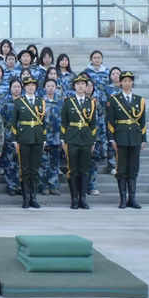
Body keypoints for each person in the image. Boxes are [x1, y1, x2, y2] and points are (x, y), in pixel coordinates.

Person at [106, 71, 146, 210]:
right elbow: (110, 121)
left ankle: (132, 199)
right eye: (125, 81)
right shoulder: (114, 99)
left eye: (129, 81)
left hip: (135, 137)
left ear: (132, 82)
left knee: (133, 168)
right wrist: (112, 139)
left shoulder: (139, 100)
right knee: (121, 169)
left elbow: (142, 121)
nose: (127, 83)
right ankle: (123, 199)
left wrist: (143, 139)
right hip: (121, 137)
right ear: (120, 83)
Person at [60, 74, 97, 210]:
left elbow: (93, 124)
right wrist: (63, 139)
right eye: (78, 84)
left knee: (84, 170)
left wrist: (93, 141)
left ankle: (83, 198)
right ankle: (74, 198)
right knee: (72, 169)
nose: (80, 86)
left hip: (86, 138)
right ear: (74, 86)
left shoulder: (91, 102)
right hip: (72, 138)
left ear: (86, 86)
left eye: (83, 84)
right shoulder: (68, 102)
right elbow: (64, 122)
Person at [11, 76, 46, 209]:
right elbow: (14, 122)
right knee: (24, 168)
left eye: (33, 85)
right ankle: (25, 198)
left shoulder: (40, 102)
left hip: (37, 137)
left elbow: (43, 122)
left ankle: (33, 198)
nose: (30, 87)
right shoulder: (19, 102)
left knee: (35, 169)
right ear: (24, 87)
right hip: (23, 137)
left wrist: (44, 138)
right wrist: (15, 140)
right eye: (28, 85)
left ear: (36, 87)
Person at [0, 78, 23, 196]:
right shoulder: (5, 104)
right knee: (9, 163)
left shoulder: (25, 102)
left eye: (18, 87)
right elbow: (1, 121)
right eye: (14, 87)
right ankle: (11, 186)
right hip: (8, 137)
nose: (16, 89)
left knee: (20, 163)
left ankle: (20, 186)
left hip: (23, 137)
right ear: (10, 88)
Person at [40, 79, 62, 196]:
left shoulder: (60, 102)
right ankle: (44, 186)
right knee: (43, 163)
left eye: (52, 86)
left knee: (54, 164)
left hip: (57, 138)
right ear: (44, 88)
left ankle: (54, 186)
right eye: (48, 86)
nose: (50, 88)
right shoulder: (40, 102)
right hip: (44, 138)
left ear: (56, 87)